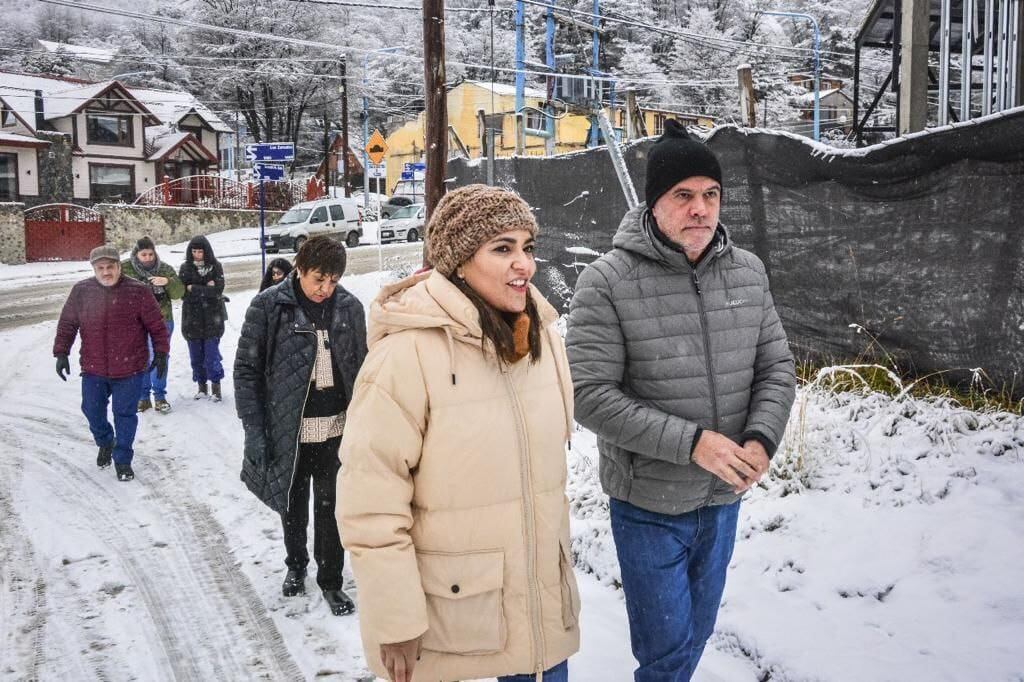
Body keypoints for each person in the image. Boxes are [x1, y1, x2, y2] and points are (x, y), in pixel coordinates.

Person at [566, 119, 796, 681]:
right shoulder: (607, 281)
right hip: (649, 504)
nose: (701, 209)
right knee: (665, 651)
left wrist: (761, 439)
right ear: (653, 204)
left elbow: (776, 367)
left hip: (723, 498)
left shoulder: (747, 271)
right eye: (684, 195)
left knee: (696, 632)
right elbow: (589, 395)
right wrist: (693, 444)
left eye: (711, 194)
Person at [337, 185, 581, 682]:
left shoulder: (542, 340)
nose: (524, 265)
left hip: (540, 623)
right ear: (459, 262)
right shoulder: (406, 355)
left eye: (527, 247)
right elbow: (370, 501)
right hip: (452, 632)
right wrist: (395, 616)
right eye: (502, 248)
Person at [234, 236, 367, 617]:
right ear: (300, 269)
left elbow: (363, 368)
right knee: (292, 505)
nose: (326, 289)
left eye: (333, 281)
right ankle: (296, 565)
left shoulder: (349, 308)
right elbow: (247, 370)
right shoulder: (269, 307)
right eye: (319, 279)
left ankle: (331, 580)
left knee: (332, 508)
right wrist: (254, 429)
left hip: (337, 429)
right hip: (288, 430)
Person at [53, 244, 170, 482]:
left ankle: (123, 459)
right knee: (92, 410)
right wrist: (61, 352)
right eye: (101, 268)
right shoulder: (82, 291)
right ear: (94, 269)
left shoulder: (138, 291)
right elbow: (68, 323)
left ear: (119, 266)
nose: (106, 272)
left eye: (111, 267)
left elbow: (157, 326)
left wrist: (160, 354)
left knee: (125, 415)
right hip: (94, 368)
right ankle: (106, 441)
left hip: (130, 368)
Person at [121, 236, 184, 413]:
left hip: (162, 320)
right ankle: (143, 397)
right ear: (136, 254)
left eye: (151, 254)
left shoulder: (165, 269)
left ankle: (159, 396)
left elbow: (178, 292)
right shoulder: (125, 268)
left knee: (160, 356)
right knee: (141, 357)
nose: (148, 258)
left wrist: (167, 282)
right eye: (144, 254)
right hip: (136, 322)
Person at [179, 235, 227, 401]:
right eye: (194, 251)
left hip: (212, 318)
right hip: (191, 319)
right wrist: (206, 288)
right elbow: (183, 293)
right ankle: (201, 386)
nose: (197, 254)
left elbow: (218, 291)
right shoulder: (185, 268)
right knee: (196, 356)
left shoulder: (215, 266)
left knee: (212, 355)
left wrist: (194, 288)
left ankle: (216, 387)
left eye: (200, 251)